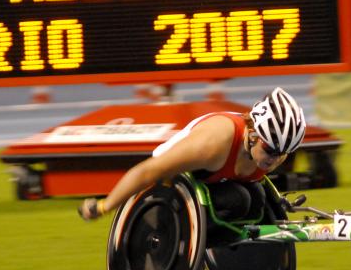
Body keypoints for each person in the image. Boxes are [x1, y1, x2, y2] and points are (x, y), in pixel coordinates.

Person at [78, 87, 306, 221]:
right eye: (270, 150)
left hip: (217, 182)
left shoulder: (274, 150)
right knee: (240, 199)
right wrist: (104, 206)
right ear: (254, 133)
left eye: (284, 153)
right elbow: (148, 170)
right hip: (167, 183)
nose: (274, 159)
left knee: (257, 200)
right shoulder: (213, 143)